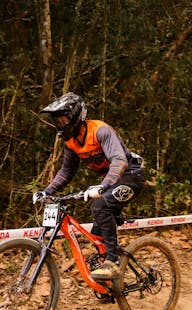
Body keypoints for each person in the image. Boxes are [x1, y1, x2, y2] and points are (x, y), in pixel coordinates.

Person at [33, 92, 145, 280]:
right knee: (96, 234)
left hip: (131, 176)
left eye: (63, 119)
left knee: (100, 205)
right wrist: (47, 191)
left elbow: (119, 160)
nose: (60, 124)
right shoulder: (70, 143)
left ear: (77, 117)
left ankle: (113, 262)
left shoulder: (100, 131)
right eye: (57, 121)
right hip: (110, 181)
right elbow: (66, 171)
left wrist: (103, 186)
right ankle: (110, 286)